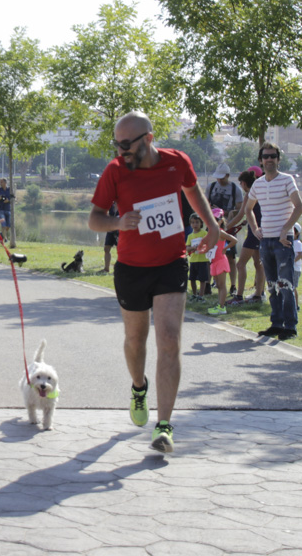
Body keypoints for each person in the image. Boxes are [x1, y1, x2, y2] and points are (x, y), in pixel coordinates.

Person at [89, 111, 231, 454]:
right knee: (136, 339)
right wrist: (118, 223)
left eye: (126, 144)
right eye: (117, 144)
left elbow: (192, 189)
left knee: (169, 338)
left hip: (171, 263)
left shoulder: (176, 161)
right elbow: (94, 219)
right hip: (131, 268)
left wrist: (212, 225)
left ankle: (164, 425)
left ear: (148, 139)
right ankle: (139, 387)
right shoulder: (114, 170)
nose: (121, 150)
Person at [245, 143, 302, 340]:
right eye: (265, 157)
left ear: (278, 159)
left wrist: (286, 230)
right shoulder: (258, 184)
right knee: (271, 286)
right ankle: (276, 324)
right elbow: (248, 209)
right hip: (265, 242)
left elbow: (299, 207)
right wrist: (255, 229)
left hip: (283, 242)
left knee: (286, 285)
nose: (269, 159)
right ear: (261, 161)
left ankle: (290, 326)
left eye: (273, 156)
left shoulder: (287, 180)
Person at [227, 169, 266, 305]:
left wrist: (225, 228)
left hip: (253, 234)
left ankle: (239, 296)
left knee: (240, 263)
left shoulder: (249, 195)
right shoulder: (261, 193)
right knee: (258, 264)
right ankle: (259, 294)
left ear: (243, 183)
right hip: (262, 232)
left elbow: (239, 215)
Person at [208, 164, 243, 294]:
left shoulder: (236, 189)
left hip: (229, 226)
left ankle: (233, 285)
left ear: (228, 176)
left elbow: (239, 209)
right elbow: (205, 203)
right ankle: (211, 282)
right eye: (218, 177)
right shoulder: (211, 187)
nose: (219, 180)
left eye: (221, 178)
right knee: (211, 255)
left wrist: (226, 213)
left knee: (231, 257)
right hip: (212, 225)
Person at [208, 208, 231, 316]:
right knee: (218, 285)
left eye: (215, 219)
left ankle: (222, 307)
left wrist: (225, 248)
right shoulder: (211, 232)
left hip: (221, 261)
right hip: (214, 261)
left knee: (222, 285)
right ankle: (219, 304)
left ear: (221, 220)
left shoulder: (221, 232)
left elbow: (234, 240)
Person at [185, 213, 210, 301]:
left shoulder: (204, 233)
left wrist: (202, 246)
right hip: (193, 260)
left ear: (201, 223)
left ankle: (201, 296)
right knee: (192, 279)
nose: (195, 224)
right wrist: (192, 248)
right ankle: (194, 294)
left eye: (196, 222)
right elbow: (187, 248)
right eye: (192, 222)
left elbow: (208, 244)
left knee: (202, 279)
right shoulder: (189, 236)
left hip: (203, 260)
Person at [102, 204, 119, 273]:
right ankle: (106, 269)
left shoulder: (123, 204)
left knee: (120, 250)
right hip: (110, 230)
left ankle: (118, 268)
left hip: (119, 231)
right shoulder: (111, 206)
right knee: (106, 249)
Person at [292, 223, 302, 310]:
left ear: (297, 233)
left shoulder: (297, 243)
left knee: (293, 287)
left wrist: (292, 262)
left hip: (295, 269)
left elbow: (300, 254)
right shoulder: (290, 242)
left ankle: (296, 306)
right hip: (290, 268)